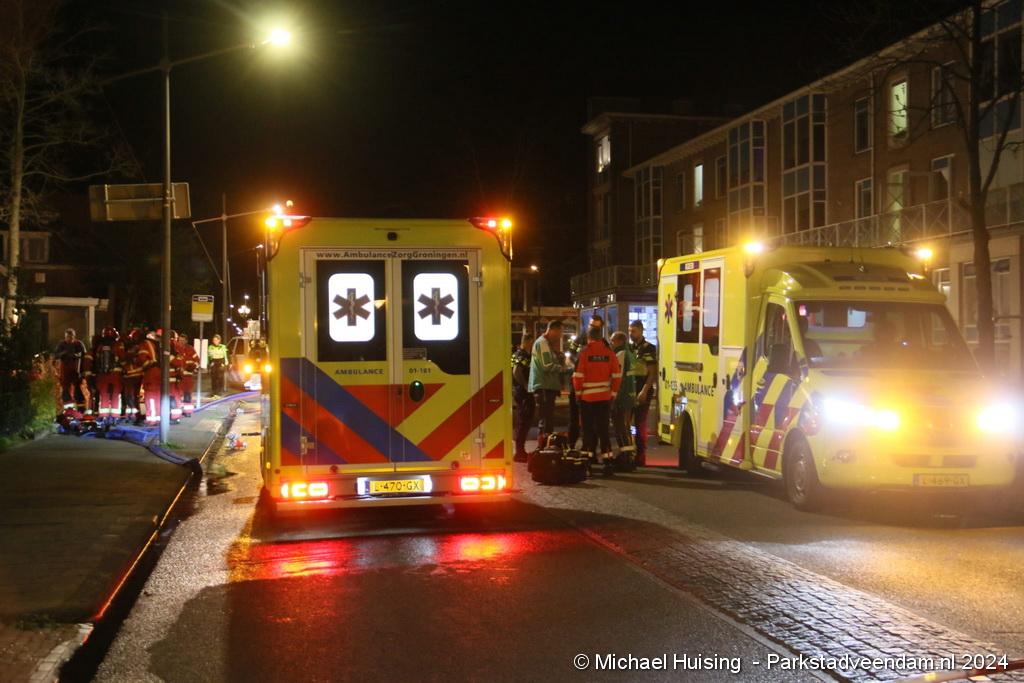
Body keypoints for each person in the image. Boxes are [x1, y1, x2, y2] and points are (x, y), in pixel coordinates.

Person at [572, 324, 621, 471]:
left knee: (587, 432)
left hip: (587, 399)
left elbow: (578, 376)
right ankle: (608, 462)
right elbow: (617, 376)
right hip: (604, 398)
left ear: (589, 338)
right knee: (603, 431)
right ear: (601, 338)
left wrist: (578, 394)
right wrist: (613, 394)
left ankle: (586, 463)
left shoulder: (585, 353)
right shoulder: (609, 353)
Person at [567, 314, 608, 448]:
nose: (592, 328)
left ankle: (590, 448)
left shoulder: (604, 343)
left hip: (593, 390)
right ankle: (571, 445)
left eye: (596, 327)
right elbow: (569, 357)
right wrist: (578, 366)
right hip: (577, 385)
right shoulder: (579, 340)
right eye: (591, 325)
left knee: (592, 422)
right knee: (574, 418)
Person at [528, 320, 565, 441]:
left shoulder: (546, 344)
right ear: (554, 330)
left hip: (546, 386)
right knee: (546, 419)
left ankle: (545, 444)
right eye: (560, 332)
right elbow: (547, 365)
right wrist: (564, 369)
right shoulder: (543, 343)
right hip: (544, 386)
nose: (561, 335)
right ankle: (543, 445)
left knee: (547, 419)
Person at [628, 320, 658, 466]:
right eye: (629, 331)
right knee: (627, 423)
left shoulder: (648, 348)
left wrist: (644, 391)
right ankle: (628, 452)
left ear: (641, 331)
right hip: (630, 389)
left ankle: (640, 455)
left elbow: (652, 373)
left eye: (633, 331)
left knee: (640, 423)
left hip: (642, 388)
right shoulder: (629, 348)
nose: (631, 334)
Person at [610, 331, 637, 462]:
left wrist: (614, 396)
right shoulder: (630, 354)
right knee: (626, 426)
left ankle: (625, 455)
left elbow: (618, 376)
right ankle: (629, 454)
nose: (611, 343)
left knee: (620, 426)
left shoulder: (620, 354)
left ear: (620, 341)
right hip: (630, 394)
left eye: (613, 341)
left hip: (622, 395)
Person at [510, 330, 535, 462]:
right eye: (531, 342)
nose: (532, 345)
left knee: (523, 420)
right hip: (523, 392)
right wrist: (525, 386)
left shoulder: (518, 354)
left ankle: (520, 451)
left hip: (521, 391)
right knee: (523, 421)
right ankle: (519, 452)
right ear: (527, 342)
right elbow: (516, 372)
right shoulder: (522, 355)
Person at [91, 328, 123, 421]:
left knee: (104, 394)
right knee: (115, 395)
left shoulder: (100, 347)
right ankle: (115, 416)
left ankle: (104, 415)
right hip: (116, 374)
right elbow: (123, 358)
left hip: (103, 375)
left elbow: (96, 361)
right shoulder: (118, 345)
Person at [54, 328, 87, 413]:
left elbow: (85, 356)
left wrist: (83, 370)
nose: (69, 339)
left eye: (71, 337)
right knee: (66, 390)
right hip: (65, 370)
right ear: (65, 337)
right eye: (68, 337)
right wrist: (64, 353)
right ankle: (69, 409)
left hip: (76, 369)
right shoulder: (62, 344)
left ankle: (81, 409)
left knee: (78, 389)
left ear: (74, 336)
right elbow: (56, 355)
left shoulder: (79, 344)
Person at [138, 330, 162, 426]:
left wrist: (142, 367)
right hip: (160, 373)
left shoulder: (146, 344)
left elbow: (142, 359)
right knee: (158, 397)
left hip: (151, 373)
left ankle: (151, 419)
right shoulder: (160, 345)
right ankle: (158, 418)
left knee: (151, 397)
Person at [121, 328, 144, 423]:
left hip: (131, 376)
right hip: (134, 376)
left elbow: (125, 359)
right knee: (132, 396)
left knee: (131, 396)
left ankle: (134, 415)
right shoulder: (140, 347)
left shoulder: (136, 349)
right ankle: (133, 414)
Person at [175, 334, 199, 417]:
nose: (181, 342)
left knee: (187, 394)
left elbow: (197, 360)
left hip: (188, 377)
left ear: (186, 341)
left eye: (183, 340)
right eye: (179, 340)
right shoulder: (175, 349)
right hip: (178, 377)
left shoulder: (190, 349)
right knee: (177, 395)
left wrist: (193, 366)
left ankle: (188, 411)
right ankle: (177, 412)